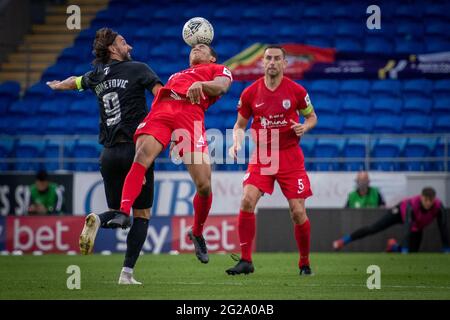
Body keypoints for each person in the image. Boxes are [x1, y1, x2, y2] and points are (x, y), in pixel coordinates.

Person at [47, 27, 163, 285]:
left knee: (117, 210)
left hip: (108, 155)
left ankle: (98, 219)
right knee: (141, 214)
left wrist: (57, 86)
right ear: (112, 48)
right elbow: (161, 95)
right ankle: (126, 274)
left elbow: (75, 81)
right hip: (136, 151)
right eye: (123, 42)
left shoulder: (96, 75)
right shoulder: (138, 69)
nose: (129, 46)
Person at [102, 42, 232, 264]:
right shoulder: (177, 74)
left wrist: (200, 84)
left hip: (189, 116)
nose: (196, 49)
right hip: (162, 111)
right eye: (193, 48)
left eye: (202, 48)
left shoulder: (218, 69)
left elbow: (221, 87)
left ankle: (197, 232)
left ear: (212, 58)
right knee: (141, 155)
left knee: (204, 185)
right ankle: (123, 212)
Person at [225, 45, 318, 276]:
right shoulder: (250, 93)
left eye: (277, 59)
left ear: (285, 63)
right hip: (263, 155)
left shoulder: (296, 91)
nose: (273, 62)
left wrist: (304, 126)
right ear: (262, 62)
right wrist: (236, 142)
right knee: (247, 200)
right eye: (268, 58)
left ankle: (304, 263)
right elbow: (240, 125)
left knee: (297, 212)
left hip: (290, 156)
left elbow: (312, 116)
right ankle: (246, 261)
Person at [333, 187, 450, 253]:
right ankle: (343, 241)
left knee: (413, 252)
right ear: (421, 197)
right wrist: (404, 249)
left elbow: (443, 228)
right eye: (426, 200)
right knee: (374, 228)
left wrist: (446, 249)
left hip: (416, 226)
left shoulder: (439, 206)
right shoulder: (412, 204)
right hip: (399, 213)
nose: (428, 203)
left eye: (431, 200)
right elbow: (407, 227)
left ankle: (393, 246)